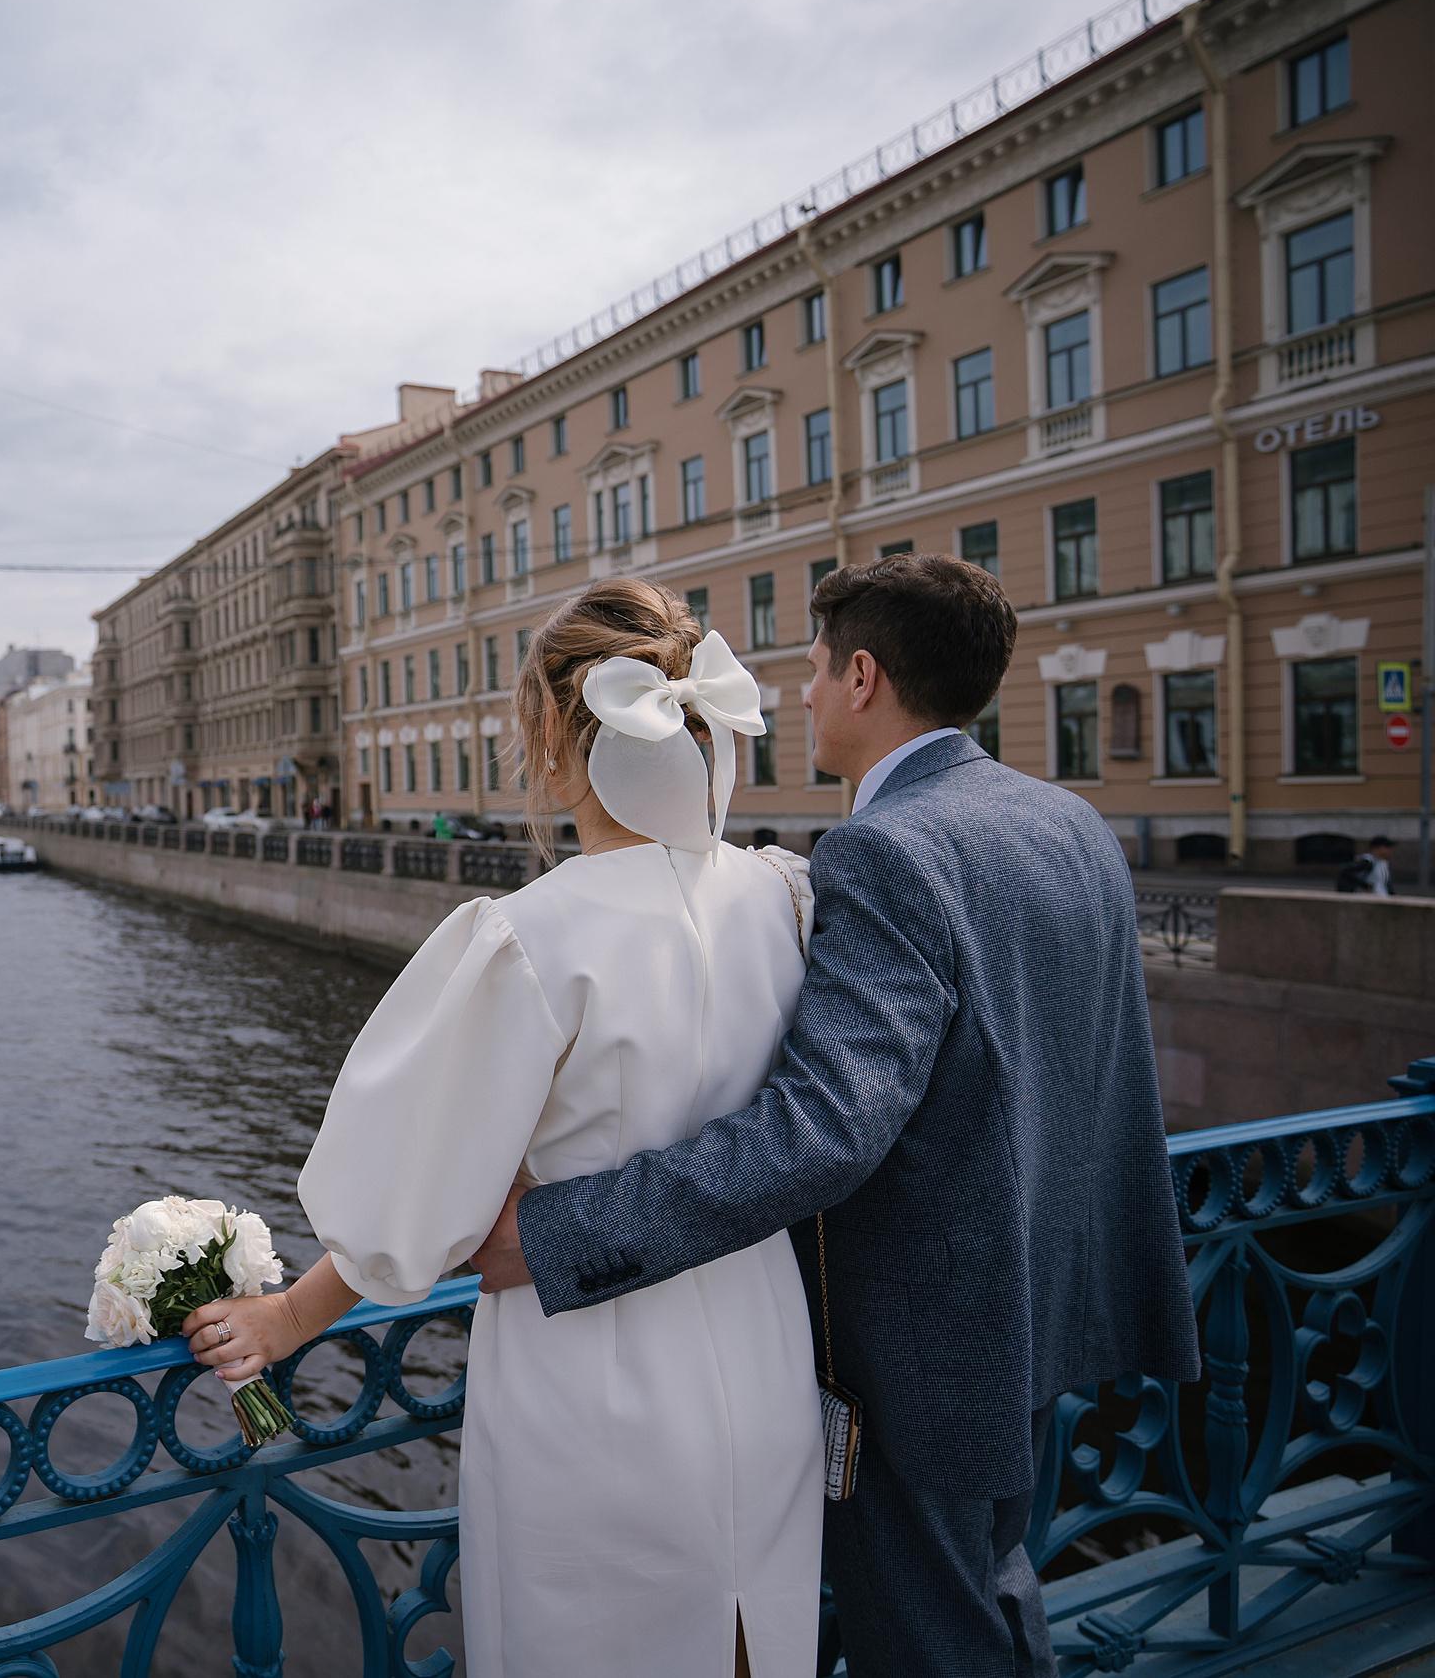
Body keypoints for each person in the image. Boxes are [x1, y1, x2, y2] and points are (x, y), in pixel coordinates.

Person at [464, 554, 1200, 1675]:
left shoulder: (884, 850)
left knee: (929, 1638)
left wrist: (557, 1233)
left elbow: (822, 1129)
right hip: (1044, 1309)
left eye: (810, 671)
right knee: (994, 1597)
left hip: (923, 1351)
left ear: (862, 676)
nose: (797, 696)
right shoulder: (1067, 820)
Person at [185, 579, 825, 1677]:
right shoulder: (782, 896)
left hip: (593, 1381)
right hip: (768, 1359)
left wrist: (290, 1314)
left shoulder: (531, 938)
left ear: (547, 733)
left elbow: (416, 1201)